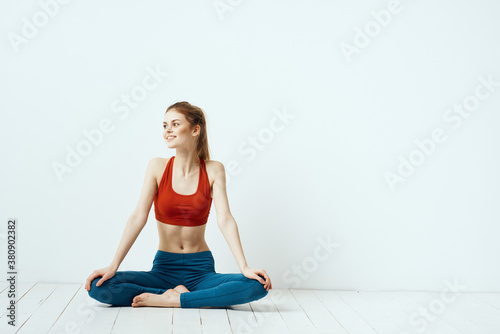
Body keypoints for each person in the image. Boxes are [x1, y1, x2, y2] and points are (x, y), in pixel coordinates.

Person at [85, 101, 271, 308]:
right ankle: (172, 295)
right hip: (163, 269)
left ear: (195, 130)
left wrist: (244, 267)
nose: (168, 131)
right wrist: (114, 265)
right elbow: (139, 216)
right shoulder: (157, 167)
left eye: (174, 124)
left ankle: (175, 300)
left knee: (257, 285)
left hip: (200, 270)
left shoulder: (214, 170)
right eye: (165, 125)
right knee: (97, 286)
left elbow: (225, 219)